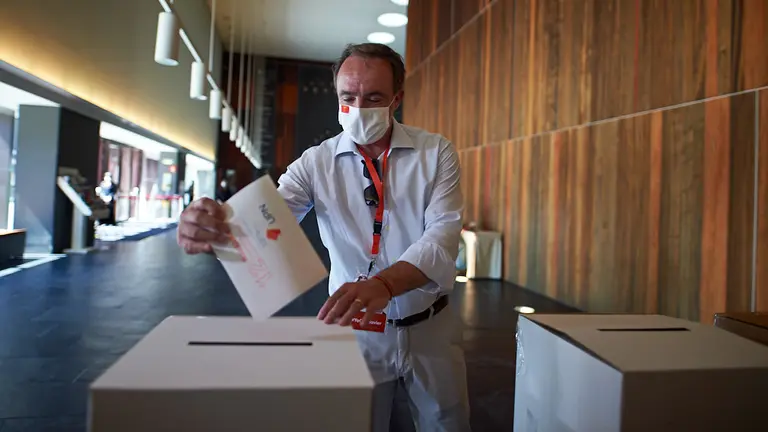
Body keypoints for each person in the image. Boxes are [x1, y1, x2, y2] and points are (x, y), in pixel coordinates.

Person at [177, 43, 470, 432]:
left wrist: (385, 283)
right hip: (356, 333)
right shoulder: (316, 163)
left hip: (430, 328)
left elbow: (442, 236)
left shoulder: (435, 153)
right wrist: (213, 229)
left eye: (374, 97)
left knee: (447, 425)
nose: (358, 107)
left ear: (397, 99)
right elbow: (269, 222)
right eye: (348, 97)